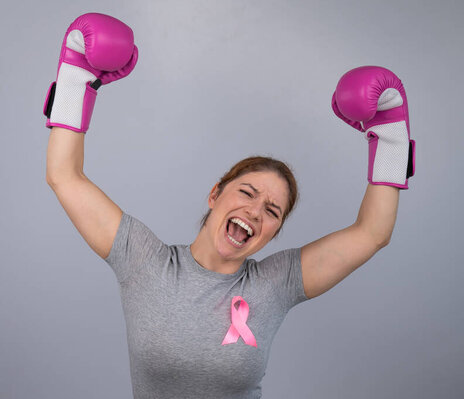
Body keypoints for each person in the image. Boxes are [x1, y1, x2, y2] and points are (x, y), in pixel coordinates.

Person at [44, 13, 415, 399]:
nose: (256, 211)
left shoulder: (275, 283)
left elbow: (373, 233)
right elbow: (64, 176)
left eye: (272, 211)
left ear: (273, 232)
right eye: (247, 193)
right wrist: (76, 80)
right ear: (215, 194)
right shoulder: (143, 260)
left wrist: (390, 140)